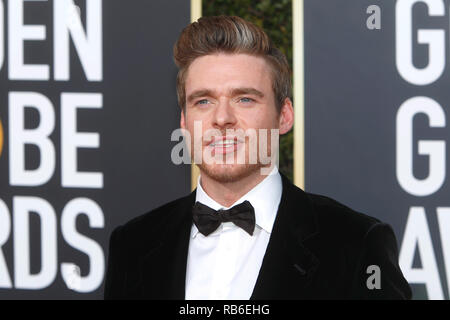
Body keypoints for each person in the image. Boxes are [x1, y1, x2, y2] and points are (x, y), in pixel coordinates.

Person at [104, 15, 411, 300]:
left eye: (245, 99)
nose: (222, 118)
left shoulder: (356, 245)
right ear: (184, 122)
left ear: (284, 116)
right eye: (203, 101)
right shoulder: (133, 245)